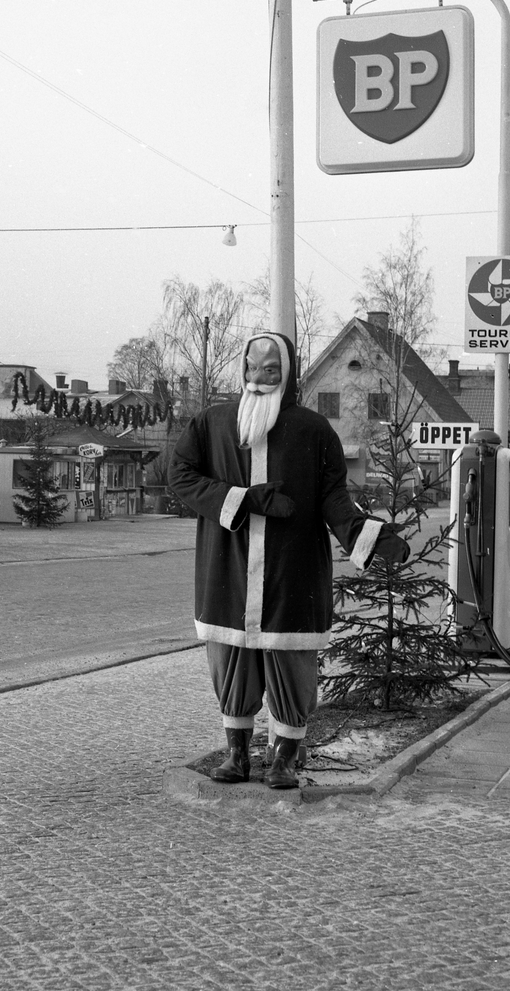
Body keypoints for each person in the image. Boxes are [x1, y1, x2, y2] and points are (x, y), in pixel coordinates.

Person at [168, 331, 409, 790]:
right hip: (228, 567)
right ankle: (237, 754)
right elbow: (179, 475)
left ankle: (284, 758)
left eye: (270, 369)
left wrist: (367, 536)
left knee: (291, 663)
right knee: (231, 660)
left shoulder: (313, 430)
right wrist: (241, 499)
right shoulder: (213, 423)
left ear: (288, 373)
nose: (258, 378)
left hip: (292, 568)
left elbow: (334, 498)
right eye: (251, 367)